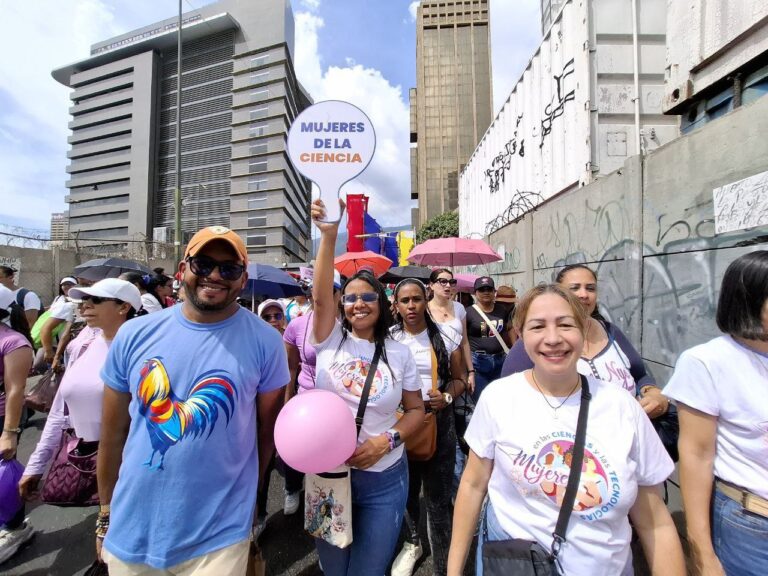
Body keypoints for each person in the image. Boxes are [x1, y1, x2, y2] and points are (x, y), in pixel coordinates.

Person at [447, 284, 685, 576]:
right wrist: (454, 570)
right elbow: (473, 486)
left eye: (565, 325)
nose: (553, 339)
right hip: (516, 565)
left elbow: (655, 523)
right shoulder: (498, 398)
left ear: (583, 331)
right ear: (521, 335)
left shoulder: (622, 406)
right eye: (537, 326)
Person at [96, 226, 289, 574]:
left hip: (220, 532)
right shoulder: (133, 334)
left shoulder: (266, 341)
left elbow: (265, 435)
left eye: (228, 269)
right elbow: (111, 435)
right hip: (132, 525)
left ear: (242, 279)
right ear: (183, 269)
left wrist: (250, 504)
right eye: (203, 264)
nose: (215, 275)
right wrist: (105, 513)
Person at [311, 199, 424, 576]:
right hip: (326, 476)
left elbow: (417, 412)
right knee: (333, 569)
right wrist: (328, 235)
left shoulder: (400, 352)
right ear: (342, 304)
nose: (359, 303)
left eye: (368, 296)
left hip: (384, 479)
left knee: (368, 571)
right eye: (351, 297)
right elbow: (319, 294)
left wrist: (385, 442)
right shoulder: (328, 340)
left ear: (382, 302)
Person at [664, 250, 768, 576]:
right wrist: (702, 552)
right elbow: (696, 456)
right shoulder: (707, 363)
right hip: (750, 525)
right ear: (748, 301)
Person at [18, 279, 142, 504]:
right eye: (85, 300)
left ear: (123, 307)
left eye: (96, 300)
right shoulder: (83, 346)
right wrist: (36, 465)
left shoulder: (140, 352)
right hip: (82, 459)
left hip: (128, 467)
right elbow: (60, 411)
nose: (85, 306)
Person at [501, 264, 670, 420]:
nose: (584, 294)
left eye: (590, 288)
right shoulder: (537, 344)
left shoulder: (611, 331)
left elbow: (640, 375)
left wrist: (653, 393)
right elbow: (510, 401)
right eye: (574, 288)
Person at [390, 278, 465, 576]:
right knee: (407, 495)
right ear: (395, 305)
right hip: (401, 425)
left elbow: (460, 379)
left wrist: (446, 396)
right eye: (404, 300)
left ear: (426, 299)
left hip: (439, 425)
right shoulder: (388, 339)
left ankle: (444, 565)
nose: (411, 306)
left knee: (438, 500)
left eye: (416, 299)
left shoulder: (446, 335)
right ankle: (413, 544)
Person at [278, 271, 343, 523]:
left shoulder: (351, 325)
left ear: (339, 295)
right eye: (319, 292)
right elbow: (290, 368)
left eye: (331, 291)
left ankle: (326, 524)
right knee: (295, 451)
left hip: (339, 405)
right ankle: (292, 488)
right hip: (304, 400)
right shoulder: (296, 325)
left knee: (331, 462)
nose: (324, 297)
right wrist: (286, 403)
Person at [0, 286, 34, 564]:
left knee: (4, 477)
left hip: (3, 419)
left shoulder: (13, 343)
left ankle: (15, 528)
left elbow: (15, 390)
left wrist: (9, 432)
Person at [465, 276, 513, 401]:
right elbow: (463, 341)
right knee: (482, 401)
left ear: (494, 292)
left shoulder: (502, 310)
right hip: (478, 363)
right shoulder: (468, 312)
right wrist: (469, 370)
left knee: (501, 399)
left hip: (500, 360)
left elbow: (509, 330)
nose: (486, 292)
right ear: (475, 293)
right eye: (482, 289)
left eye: (489, 289)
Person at [427, 269, 473, 391]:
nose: (448, 285)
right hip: (435, 369)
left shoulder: (459, 308)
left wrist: (471, 371)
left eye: (451, 282)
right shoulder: (425, 310)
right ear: (431, 285)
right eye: (442, 281)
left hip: (459, 369)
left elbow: (465, 342)